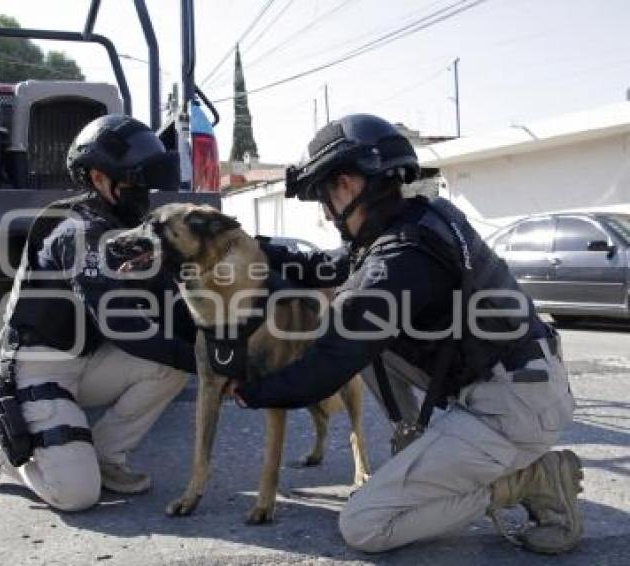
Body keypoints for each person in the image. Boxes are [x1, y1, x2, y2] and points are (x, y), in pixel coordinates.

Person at [231, 114, 582, 554]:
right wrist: (254, 246)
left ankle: (533, 478)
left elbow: (327, 369)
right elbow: (330, 266)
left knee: (366, 525)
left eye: (323, 197)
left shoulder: (398, 261)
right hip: (519, 381)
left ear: (346, 185)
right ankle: (417, 444)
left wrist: (248, 391)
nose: (325, 213)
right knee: (360, 326)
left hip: (510, 409)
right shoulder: (420, 220)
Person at [0, 114, 196, 511]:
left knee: (173, 366)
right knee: (76, 495)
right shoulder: (76, 229)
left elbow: (171, 298)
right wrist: (205, 361)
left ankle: (105, 456)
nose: (142, 192)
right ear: (99, 178)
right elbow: (120, 322)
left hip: (85, 360)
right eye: (133, 181)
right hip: (37, 366)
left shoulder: (125, 228)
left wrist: (221, 349)